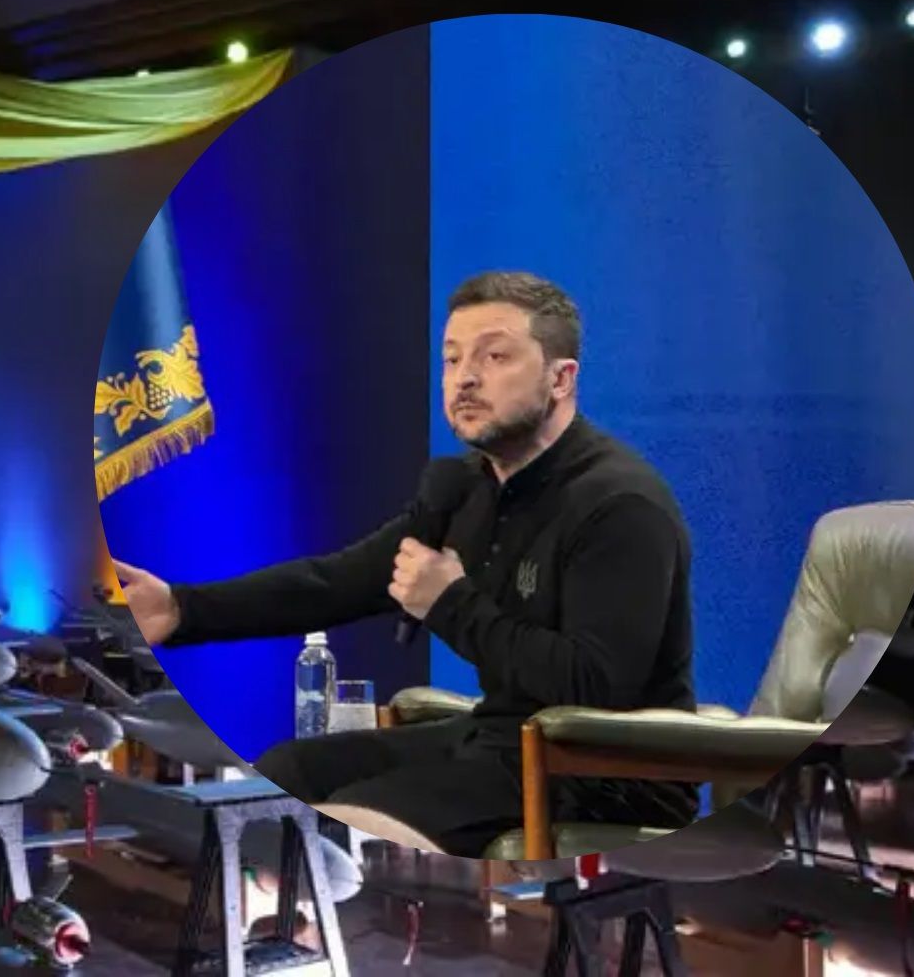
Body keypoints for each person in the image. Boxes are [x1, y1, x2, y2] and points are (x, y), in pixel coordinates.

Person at [111, 271, 699, 857]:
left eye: (495, 356)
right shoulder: (466, 488)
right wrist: (183, 608)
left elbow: (594, 686)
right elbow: (336, 583)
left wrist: (451, 605)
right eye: (452, 359)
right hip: (500, 740)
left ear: (561, 379)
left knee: (357, 813)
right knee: (288, 772)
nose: (465, 378)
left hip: (607, 769)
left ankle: (327, 899)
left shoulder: (619, 504)